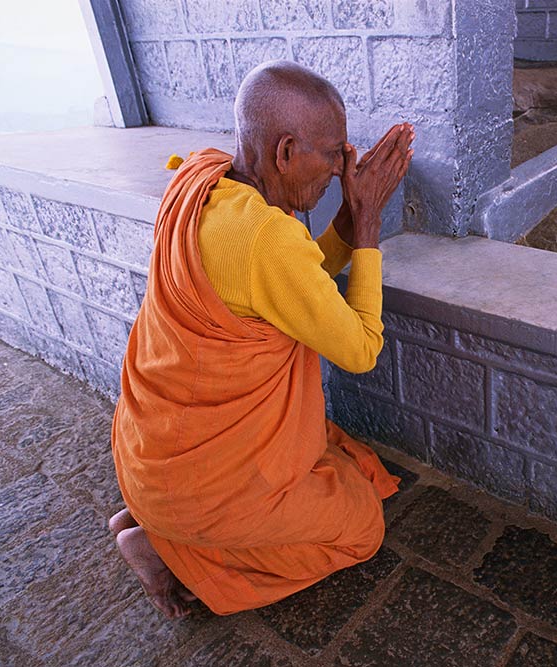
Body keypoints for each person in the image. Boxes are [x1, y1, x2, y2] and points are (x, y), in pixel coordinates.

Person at [108, 60, 415, 618]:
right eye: (336, 153)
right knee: (361, 529)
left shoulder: (198, 179)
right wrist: (367, 224)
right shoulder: (265, 238)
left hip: (150, 454)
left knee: (329, 463)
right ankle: (167, 550)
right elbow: (360, 348)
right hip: (198, 484)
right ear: (286, 152)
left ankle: (153, 517)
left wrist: (346, 214)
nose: (344, 167)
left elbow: (289, 285)